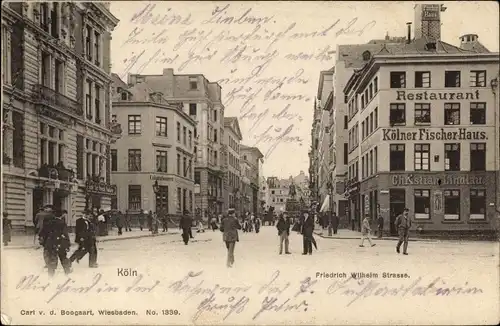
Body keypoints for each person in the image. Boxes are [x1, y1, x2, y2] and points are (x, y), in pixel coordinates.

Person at [39, 210, 72, 276]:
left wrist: (45, 243)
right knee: (63, 257)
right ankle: (67, 272)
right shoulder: (62, 223)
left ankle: (51, 274)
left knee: (51, 259)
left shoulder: (48, 223)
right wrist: (67, 244)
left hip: (51, 243)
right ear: (62, 215)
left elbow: (42, 233)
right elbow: (65, 234)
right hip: (61, 242)